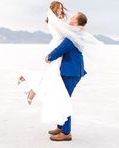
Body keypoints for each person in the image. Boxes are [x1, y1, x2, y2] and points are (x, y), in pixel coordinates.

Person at [45, 12, 88, 141]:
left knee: (64, 100)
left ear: (76, 21)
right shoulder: (77, 33)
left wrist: (49, 57)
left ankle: (66, 132)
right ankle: (61, 126)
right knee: (61, 98)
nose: (71, 18)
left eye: (73, 17)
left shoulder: (73, 35)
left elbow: (61, 48)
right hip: (73, 70)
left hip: (71, 72)